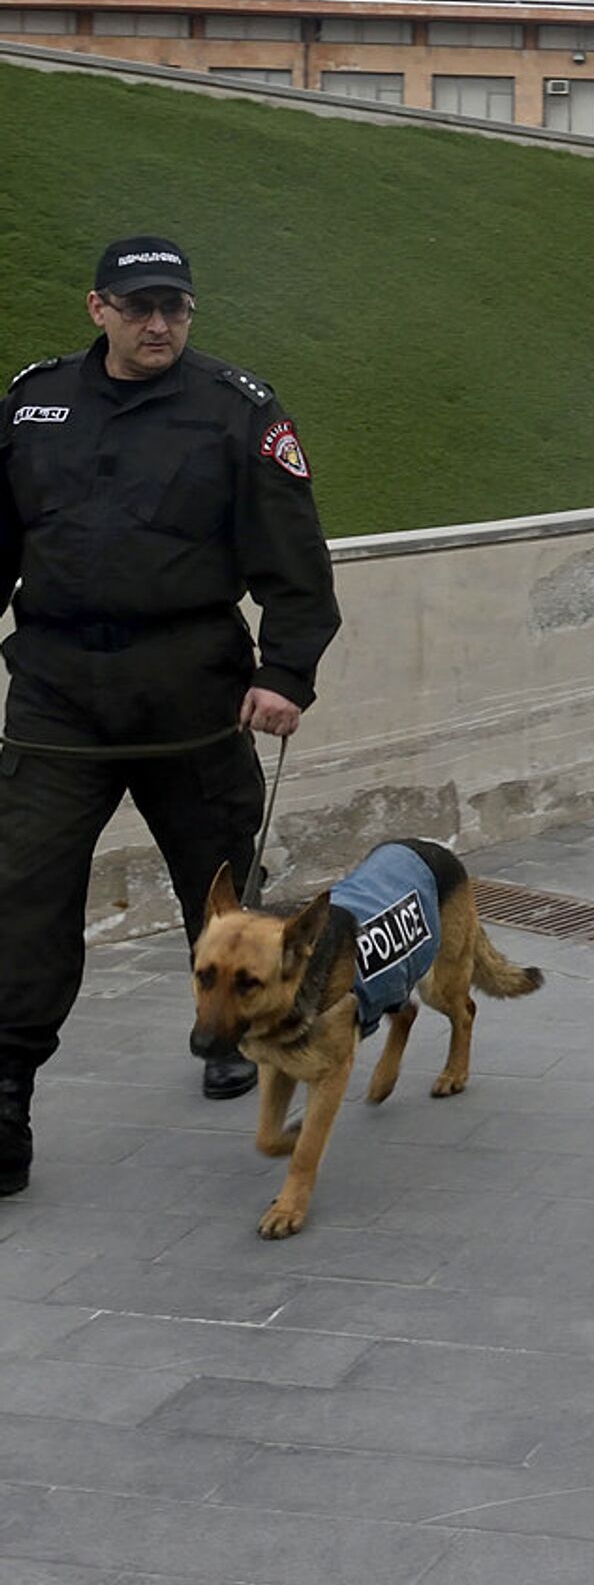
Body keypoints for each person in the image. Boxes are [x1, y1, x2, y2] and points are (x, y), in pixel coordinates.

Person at [0, 235, 341, 1198]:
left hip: (192, 690)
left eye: (176, 310)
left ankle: (241, 1037)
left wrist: (288, 673)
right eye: (139, 307)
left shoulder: (237, 411)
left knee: (223, 888)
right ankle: (6, 1093)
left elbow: (296, 561)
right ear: (96, 309)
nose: (160, 325)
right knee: (22, 898)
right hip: (58, 693)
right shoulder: (34, 403)